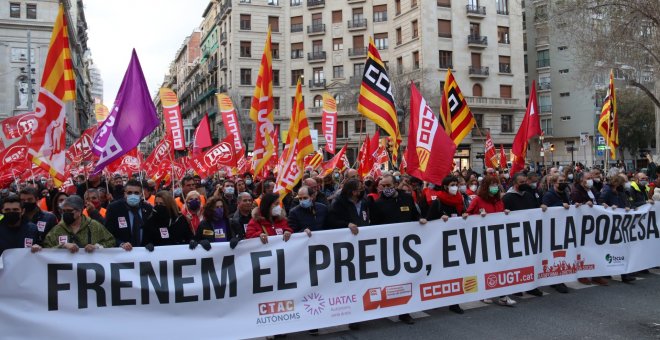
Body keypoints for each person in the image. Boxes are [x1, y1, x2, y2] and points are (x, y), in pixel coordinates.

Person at [369, 174, 427, 324]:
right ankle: (386, 307)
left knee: (404, 280)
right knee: (390, 281)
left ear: (395, 185)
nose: (386, 189)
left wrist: (419, 219)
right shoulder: (378, 204)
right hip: (388, 248)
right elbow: (374, 226)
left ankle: (404, 312)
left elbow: (414, 215)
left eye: (389, 186)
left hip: (407, 248)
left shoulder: (407, 198)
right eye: (383, 186)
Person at [424, 175, 466, 315]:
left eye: (457, 184)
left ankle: (454, 303)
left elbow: (463, 214)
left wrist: (465, 214)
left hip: (456, 242)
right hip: (440, 244)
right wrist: (439, 219)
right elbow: (428, 221)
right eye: (452, 184)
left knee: (455, 272)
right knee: (439, 273)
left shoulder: (460, 200)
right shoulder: (438, 201)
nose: (455, 187)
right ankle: (436, 299)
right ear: (445, 186)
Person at [502, 173, 545, 297]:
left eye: (525, 181)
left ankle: (531, 286)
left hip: (529, 233)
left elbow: (536, 210)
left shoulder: (529, 195)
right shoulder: (508, 198)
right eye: (521, 182)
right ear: (515, 184)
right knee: (516, 262)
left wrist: (541, 207)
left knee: (530, 261)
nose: (524, 184)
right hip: (515, 235)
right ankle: (516, 286)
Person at [36, 195, 115, 253]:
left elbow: (111, 241)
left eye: (70, 211)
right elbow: (46, 248)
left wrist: (96, 247)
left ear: (80, 211)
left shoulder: (94, 226)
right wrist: (62, 246)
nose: (66, 213)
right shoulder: (57, 229)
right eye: (64, 211)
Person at [598, 174, 636, 283]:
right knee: (610, 248)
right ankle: (606, 271)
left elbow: (626, 203)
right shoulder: (607, 191)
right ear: (616, 183)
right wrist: (609, 207)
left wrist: (628, 207)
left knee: (623, 247)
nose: (623, 186)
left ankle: (625, 274)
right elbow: (600, 203)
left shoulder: (622, 192)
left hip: (621, 223)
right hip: (610, 223)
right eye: (622, 183)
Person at [105, 179, 153, 251]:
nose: (133, 195)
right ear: (125, 194)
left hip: (144, 253)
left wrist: (151, 243)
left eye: (136, 193)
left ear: (141, 194)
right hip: (123, 254)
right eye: (129, 193)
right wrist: (121, 244)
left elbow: (152, 231)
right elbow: (107, 233)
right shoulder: (114, 208)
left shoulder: (148, 208)